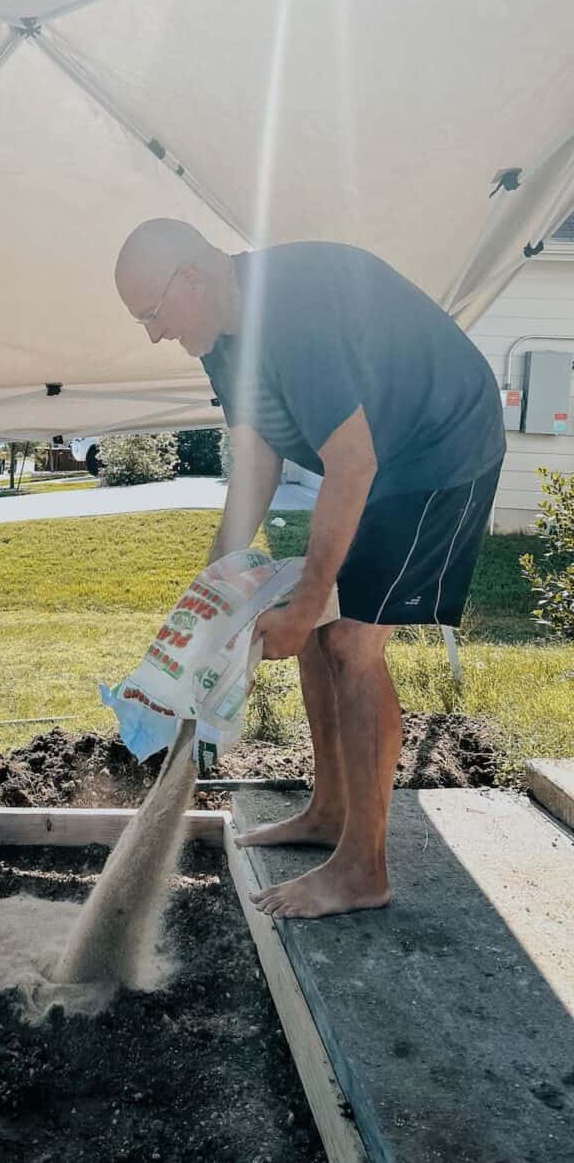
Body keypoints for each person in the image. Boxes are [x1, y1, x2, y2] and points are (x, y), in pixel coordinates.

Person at [114, 218, 505, 919]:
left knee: (348, 641)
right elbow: (257, 461)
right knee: (313, 613)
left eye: (151, 313)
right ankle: (329, 811)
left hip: (441, 446)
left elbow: (351, 463)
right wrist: (213, 597)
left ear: (191, 279)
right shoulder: (220, 337)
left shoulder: (290, 315)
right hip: (379, 456)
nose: (152, 333)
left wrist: (305, 603)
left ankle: (364, 870)